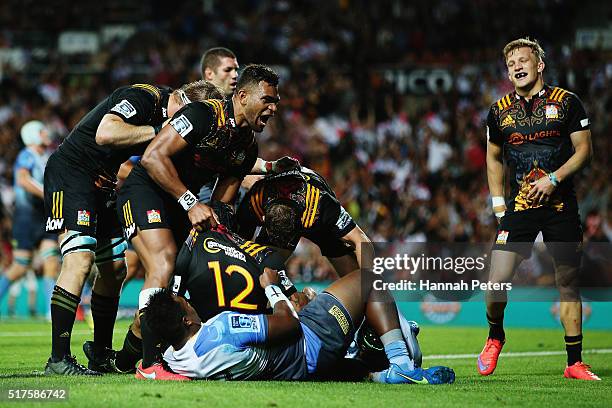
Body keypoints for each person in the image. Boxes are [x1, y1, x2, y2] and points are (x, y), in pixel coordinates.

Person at [112, 64, 290, 380]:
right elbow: (153, 158)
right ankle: (152, 367)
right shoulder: (202, 114)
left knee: (176, 290)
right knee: (164, 266)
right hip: (145, 190)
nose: (273, 108)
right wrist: (191, 203)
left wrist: (220, 229)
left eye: (275, 101)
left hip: (183, 205)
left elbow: (222, 202)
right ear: (244, 95)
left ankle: (124, 359)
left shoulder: (247, 147)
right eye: (267, 100)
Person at [43, 80, 215, 375]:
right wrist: (160, 130)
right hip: (70, 174)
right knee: (80, 258)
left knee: (115, 270)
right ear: (181, 100)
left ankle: (99, 352)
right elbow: (106, 133)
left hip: (101, 183)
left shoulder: (170, 120)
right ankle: (58, 359)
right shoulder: (143, 97)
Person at [479, 37, 599, 380]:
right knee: (496, 280)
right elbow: (493, 157)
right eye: (510, 63)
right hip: (519, 207)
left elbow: (584, 151)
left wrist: (554, 179)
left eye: (522, 60)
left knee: (568, 282)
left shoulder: (567, 103)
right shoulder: (499, 111)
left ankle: (574, 362)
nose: (516, 66)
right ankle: (495, 336)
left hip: (560, 204)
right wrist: (499, 206)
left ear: (539, 65)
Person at [145, 265, 455, 384]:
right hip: (309, 343)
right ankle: (402, 363)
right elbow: (289, 326)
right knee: (367, 280)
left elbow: (154, 371)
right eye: (183, 302)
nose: (188, 299)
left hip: (291, 369)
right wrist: (273, 288)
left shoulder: (177, 359)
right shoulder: (223, 328)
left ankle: (381, 375)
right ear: (186, 319)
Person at [0, 121, 59, 316]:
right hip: (26, 219)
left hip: (45, 217)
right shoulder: (26, 155)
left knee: (52, 261)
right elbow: (23, 180)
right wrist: (48, 195)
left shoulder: (48, 157)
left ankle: (53, 313)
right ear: (33, 135)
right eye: (42, 131)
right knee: (19, 267)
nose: (46, 133)